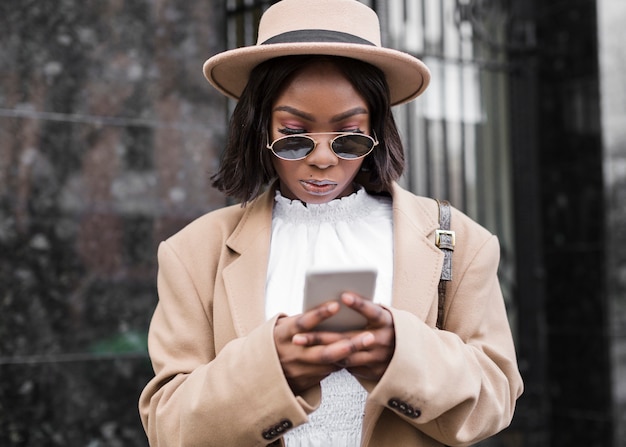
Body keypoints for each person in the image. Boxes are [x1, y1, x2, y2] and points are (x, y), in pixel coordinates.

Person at [138, 0, 524, 446]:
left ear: (377, 129)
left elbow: (497, 397)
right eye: (295, 135)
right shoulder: (193, 253)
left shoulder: (457, 240)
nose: (323, 159)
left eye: (349, 136)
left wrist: (399, 354)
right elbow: (169, 426)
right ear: (259, 129)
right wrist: (272, 369)